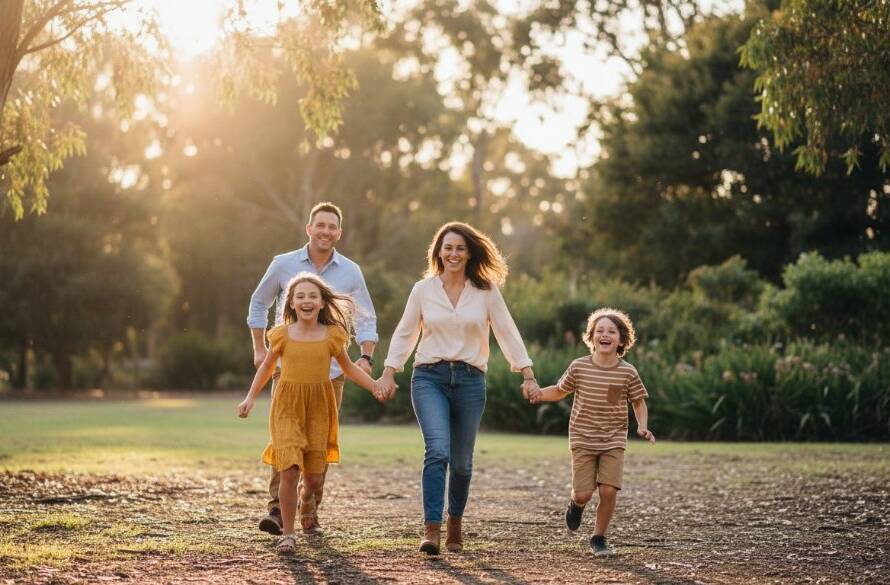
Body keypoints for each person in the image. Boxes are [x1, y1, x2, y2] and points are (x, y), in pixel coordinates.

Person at [377, 221, 539, 555]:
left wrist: (527, 372)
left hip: (469, 381)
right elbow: (406, 332)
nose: (453, 253)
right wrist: (389, 371)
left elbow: (507, 331)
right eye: (447, 247)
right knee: (437, 451)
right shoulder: (423, 290)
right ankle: (431, 529)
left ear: (469, 253)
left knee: (462, 463)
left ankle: (455, 523)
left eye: (460, 248)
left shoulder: (486, 291)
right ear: (438, 251)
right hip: (429, 377)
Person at [247, 202, 379, 535]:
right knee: (286, 439)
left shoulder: (350, 271)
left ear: (339, 232)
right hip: (287, 367)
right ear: (309, 228)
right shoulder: (283, 264)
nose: (325, 231)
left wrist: (367, 355)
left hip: (331, 373)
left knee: (319, 441)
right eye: (320, 225)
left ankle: (310, 509)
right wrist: (260, 348)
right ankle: (277, 510)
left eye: (332, 227)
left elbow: (366, 316)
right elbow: (258, 302)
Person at [238, 273, 386, 552]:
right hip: (286, 405)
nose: (306, 300)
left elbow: (349, 368)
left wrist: (374, 386)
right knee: (289, 467)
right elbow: (267, 368)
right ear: (291, 303)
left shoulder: (332, 335)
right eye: (300, 296)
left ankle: (308, 499)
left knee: (314, 476)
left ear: (321, 303)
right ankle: (288, 534)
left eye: (312, 296)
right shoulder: (281, 334)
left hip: (319, 405)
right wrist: (250, 399)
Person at [527, 308, 656, 556]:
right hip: (583, 438)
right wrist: (539, 393)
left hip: (613, 439)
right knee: (585, 493)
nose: (605, 335)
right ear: (591, 337)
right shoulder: (579, 367)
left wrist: (642, 425)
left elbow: (638, 401)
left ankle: (599, 538)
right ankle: (576, 503)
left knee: (608, 490)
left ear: (621, 339)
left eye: (611, 331)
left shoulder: (627, 372)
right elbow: (560, 390)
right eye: (600, 331)